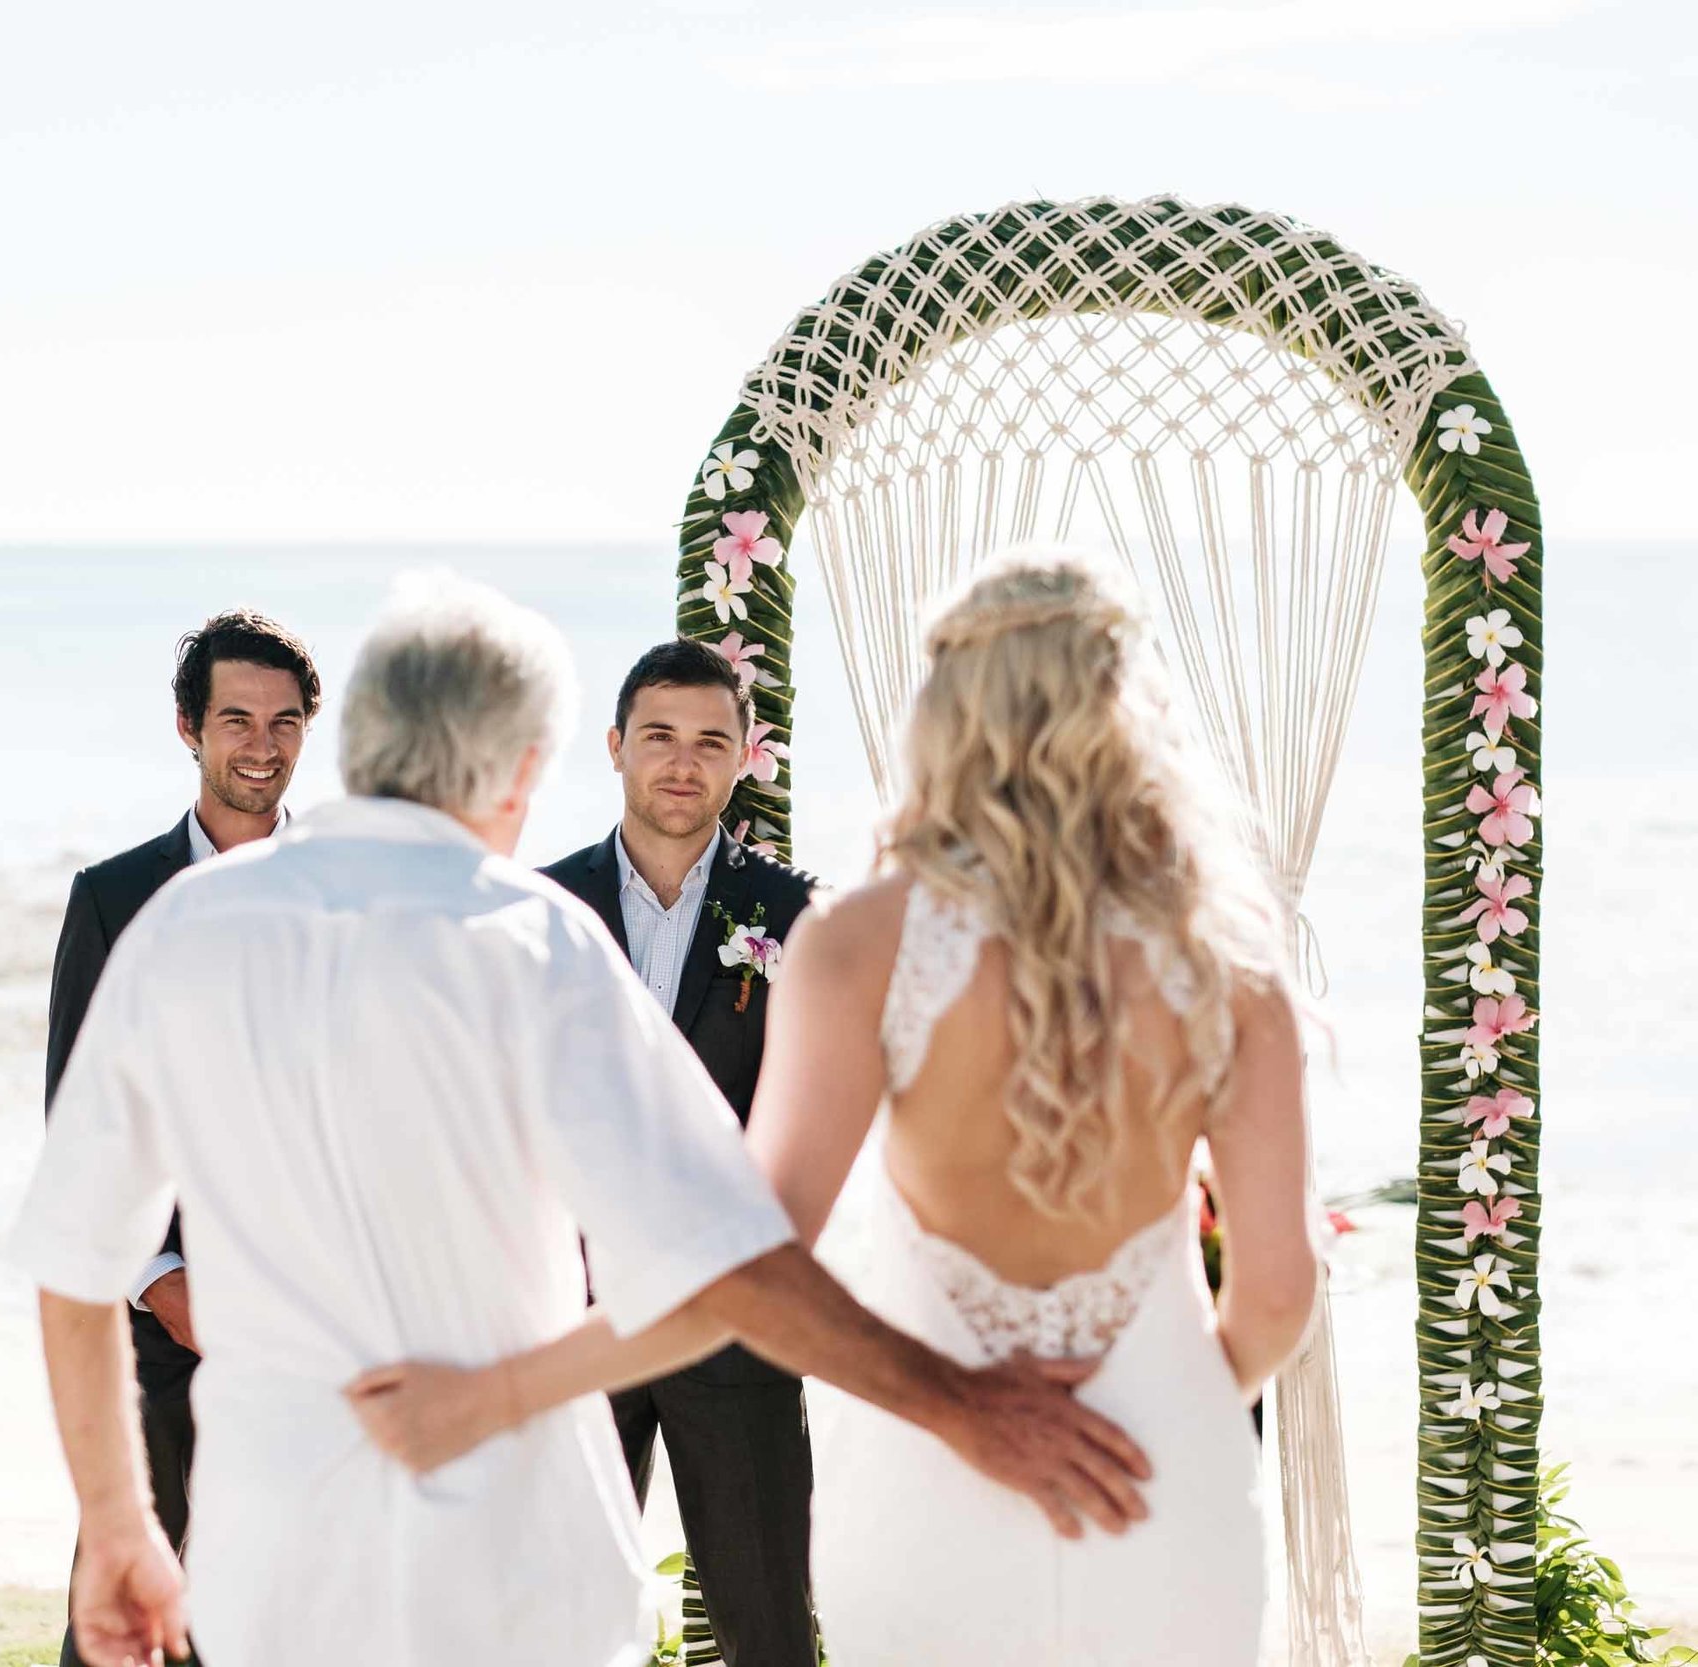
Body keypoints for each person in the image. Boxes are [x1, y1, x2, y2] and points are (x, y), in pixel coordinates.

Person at [16, 574, 1148, 1667]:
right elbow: (728, 1264)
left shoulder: (181, 929)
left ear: (350, 736)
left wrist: (118, 1521)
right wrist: (956, 1402)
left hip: (270, 1562)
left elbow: (74, 1258)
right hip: (511, 1570)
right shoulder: (531, 942)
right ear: (521, 768)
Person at [356, 552, 1318, 1664]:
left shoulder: (865, 938)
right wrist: (1164, 1408)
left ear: (948, 714)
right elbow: (1279, 1296)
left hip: (936, 1489)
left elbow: (748, 1268)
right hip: (1162, 1477)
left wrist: (498, 1390)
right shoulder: (1230, 959)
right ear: (1126, 715)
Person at [41, 607, 319, 1667]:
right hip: (162, 1336)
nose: (262, 743)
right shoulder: (111, 899)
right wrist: (161, 1280)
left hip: (315, 1332)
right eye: (237, 718)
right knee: (129, 1616)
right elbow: (82, 1120)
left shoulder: (347, 890)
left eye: (285, 721)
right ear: (186, 728)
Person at [540, 639, 821, 1667]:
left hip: (734, 1325)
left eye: (710, 741)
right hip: (568, 1321)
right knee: (551, 1625)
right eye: (657, 735)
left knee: (767, 1628)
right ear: (614, 746)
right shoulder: (538, 909)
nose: (681, 761)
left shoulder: (792, 918)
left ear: (744, 757)